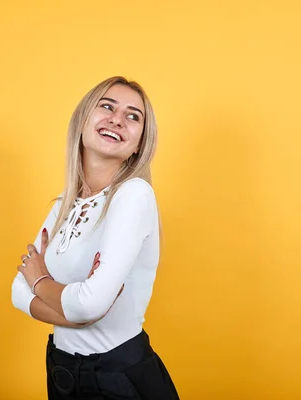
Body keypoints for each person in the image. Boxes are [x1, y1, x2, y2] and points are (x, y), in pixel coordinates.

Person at [11, 76, 180, 399]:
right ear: (83, 120)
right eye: (107, 106)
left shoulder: (134, 195)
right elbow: (17, 293)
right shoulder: (63, 205)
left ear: (140, 144)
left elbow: (89, 305)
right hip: (63, 374)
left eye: (133, 116)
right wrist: (71, 314)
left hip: (117, 380)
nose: (117, 119)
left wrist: (40, 279)